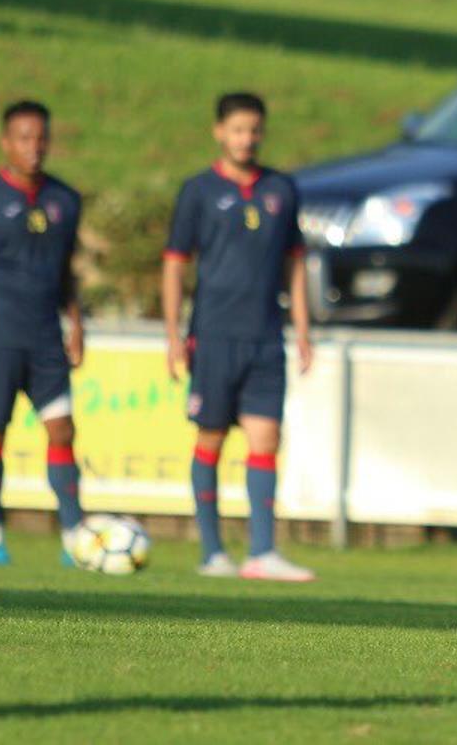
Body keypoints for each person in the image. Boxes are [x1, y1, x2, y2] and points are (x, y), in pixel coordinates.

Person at [163, 92, 317, 582]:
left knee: (266, 439)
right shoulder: (198, 191)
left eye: (254, 130)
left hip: (266, 335)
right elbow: (173, 265)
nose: (246, 139)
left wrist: (304, 329)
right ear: (219, 133)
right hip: (213, 334)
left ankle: (262, 552)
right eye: (237, 130)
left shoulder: (281, 189)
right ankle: (212, 551)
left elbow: (295, 261)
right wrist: (172, 335)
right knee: (210, 438)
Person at [0, 101, 87, 567]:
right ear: (6, 142)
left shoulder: (65, 200)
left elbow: (66, 271)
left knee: (62, 430)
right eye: (24, 138)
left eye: (41, 137)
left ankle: (73, 540)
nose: (34, 147)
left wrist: (76, 323)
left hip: (46, 337)